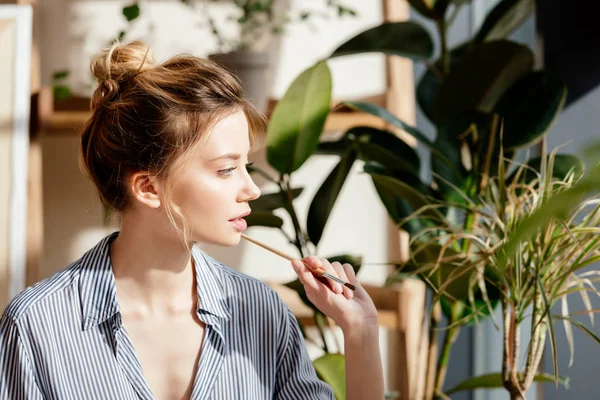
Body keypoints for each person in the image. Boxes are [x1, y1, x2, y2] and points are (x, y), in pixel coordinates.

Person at [0, 41, 384, 400]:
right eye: (226, 169)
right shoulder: (38, 326)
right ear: (149, 188)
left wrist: (361, 333)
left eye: (245, 166)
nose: (251, 189)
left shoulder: (261, 314)